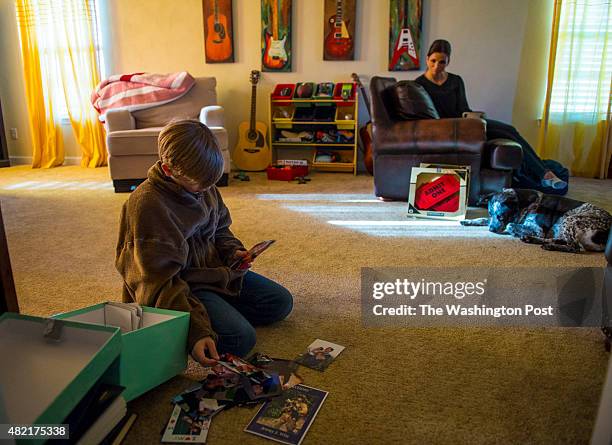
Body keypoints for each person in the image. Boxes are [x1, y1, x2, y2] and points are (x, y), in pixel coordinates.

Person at [116, 119, 293, 367]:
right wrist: (196, 332)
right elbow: (156, 283)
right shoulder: (148, 206)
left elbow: (221, 228)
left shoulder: (204, 185)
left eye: (212, 183)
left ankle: (217, 310)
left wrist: (234, 252)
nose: (208, 189)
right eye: (200, 184)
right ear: (169, 171)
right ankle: (207, 317)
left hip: (214, 273)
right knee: (240, 338)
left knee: (281, 303)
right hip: (181, 285)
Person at [414, 39, 568, 193]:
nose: (436, 66)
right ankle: (544, 173)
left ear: (448, 61)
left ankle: (544, 173)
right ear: (427, 59)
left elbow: (463, 108)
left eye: (442, 62)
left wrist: (476, 116)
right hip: (449, 129)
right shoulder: (419, 84)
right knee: (507, 131)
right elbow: (428, 117)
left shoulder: (456, 80)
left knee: (510, 131)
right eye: (433, 61)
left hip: (466, 124)